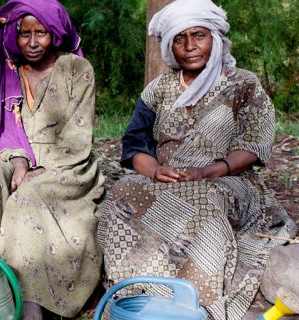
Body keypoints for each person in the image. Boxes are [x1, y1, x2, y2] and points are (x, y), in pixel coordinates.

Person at [96, 1, 297, 319]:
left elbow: (256, 145)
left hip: (227, 179)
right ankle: (133, 292)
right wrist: (155, 170)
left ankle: (194, 303)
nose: (189, 46)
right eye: (179, 38)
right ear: (169, 45)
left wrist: (207, 170)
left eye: (199, 35)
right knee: (124, 191)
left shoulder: (243, 84)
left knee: (200, 198)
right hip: (166, 178)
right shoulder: (159, 89)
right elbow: (135, 144)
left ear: (215, 38)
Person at [0, 1, 105, 318]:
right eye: (25, 33)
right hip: (20, 158)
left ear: (55, 33)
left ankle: (30, 302)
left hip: (68, 166)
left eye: (42, 33)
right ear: (14, 34)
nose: (33, 42)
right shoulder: (11, 71)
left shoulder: (76, 70)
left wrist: (39, 169)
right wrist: (21, 162)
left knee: (25, 197)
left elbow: (78, 138)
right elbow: (6, 133)